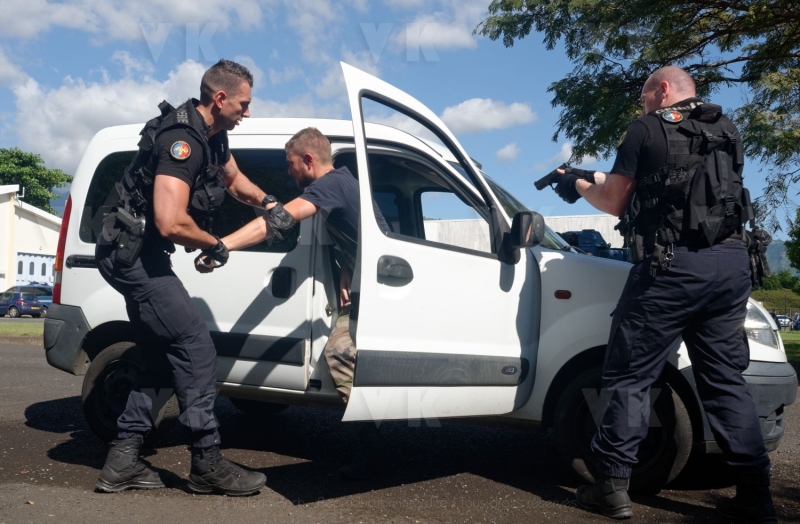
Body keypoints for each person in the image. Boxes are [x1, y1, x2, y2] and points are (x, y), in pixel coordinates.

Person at [553, 66, 774, 522]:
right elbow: (677, 180)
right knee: (724, 381)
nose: (642, 105)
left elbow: (616, 201)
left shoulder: (646, 127)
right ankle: (758, 498)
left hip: (672, 268)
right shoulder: (725, 130)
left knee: (631, 374)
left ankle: (612, 487)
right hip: (731, 264)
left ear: (664, 90)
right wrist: (590, 172)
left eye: (644, 95)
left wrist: (574, 185)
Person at [94, 59, 271, 496]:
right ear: (221, 98)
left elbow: (233, 180)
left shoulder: (213, 135)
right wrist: (216, 244)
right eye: (244, 104)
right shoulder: (182, 141)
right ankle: (206, 463)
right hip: (129, 255)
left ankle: (122, 462)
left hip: (140, 251)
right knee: (195, 348)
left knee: (158, 355)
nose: (248, 113)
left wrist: (270, 202)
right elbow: (171, 221)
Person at [213, 127, 394, 480]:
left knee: (340, 353)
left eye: (290, 163)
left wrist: (222, 245)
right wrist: (347, 270)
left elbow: (276, 222)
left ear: (308, 160)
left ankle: (373, 448)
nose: (288, 171)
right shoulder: (345, 183)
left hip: (379, 289)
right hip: (362, 281)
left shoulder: (330, 186)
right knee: (344, 351)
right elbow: (361, 235)